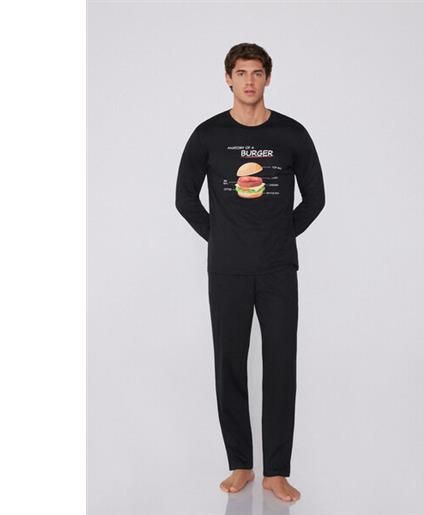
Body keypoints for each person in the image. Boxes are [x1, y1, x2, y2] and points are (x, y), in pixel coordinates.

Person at [175, 42, 325, 503]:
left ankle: (276, 471)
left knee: (281, 365)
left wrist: (281, 235)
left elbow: (316, 198)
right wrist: (220, 237)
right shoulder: (207, 135)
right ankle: (240, 463)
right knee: (230, 365)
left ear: (268, 78)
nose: (249, 81)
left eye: (257, 73)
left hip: (278, 268)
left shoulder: (292, 134)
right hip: (228, 270)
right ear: (228, 78)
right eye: (240, 73)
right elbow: (184, 198)